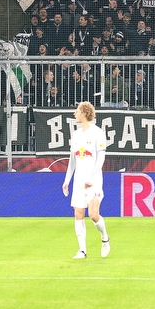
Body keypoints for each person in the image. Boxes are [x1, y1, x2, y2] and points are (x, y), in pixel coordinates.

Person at [62, 101, 110, 259]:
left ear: (84, 113)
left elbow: (101, 158)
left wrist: (92, 177)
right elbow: (72, 160)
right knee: (78, 213)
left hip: (93, 180)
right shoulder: (75, 134)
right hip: (78, 181)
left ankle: (105, 238)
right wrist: (67, 180)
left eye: (77, 111)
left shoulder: (97, 133)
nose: (75, 113)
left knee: (94, 215)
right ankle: (82, 250)